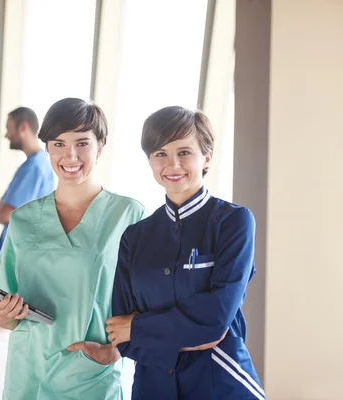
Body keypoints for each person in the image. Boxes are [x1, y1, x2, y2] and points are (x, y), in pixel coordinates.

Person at [0, 98, 146, 399]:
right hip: (28, 372)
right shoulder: (23, 220)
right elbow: (4, 316)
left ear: (101, 145)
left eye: (82, 143)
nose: (70, 155)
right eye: (58, 144)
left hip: (90, 374)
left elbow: (148, 305)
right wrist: (2, 313)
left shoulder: (128, 215)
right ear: (47, 148)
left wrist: (117, 351)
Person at [107, 106, 265, 399]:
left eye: (184, 152)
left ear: (206, 156)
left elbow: (217, 319)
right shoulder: (135, 237)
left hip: (221, 383)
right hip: (152, 388)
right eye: (160, 154)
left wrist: (139, 327)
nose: (172, 164)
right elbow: (121, 336)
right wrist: (189, 332)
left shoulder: (234, 222)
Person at [0, 107, 55, 271]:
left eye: (9, 128)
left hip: (19, 261)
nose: (6, 135)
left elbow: (5, 213)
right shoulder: (34, 165)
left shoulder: (34, 167)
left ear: (23, 127)